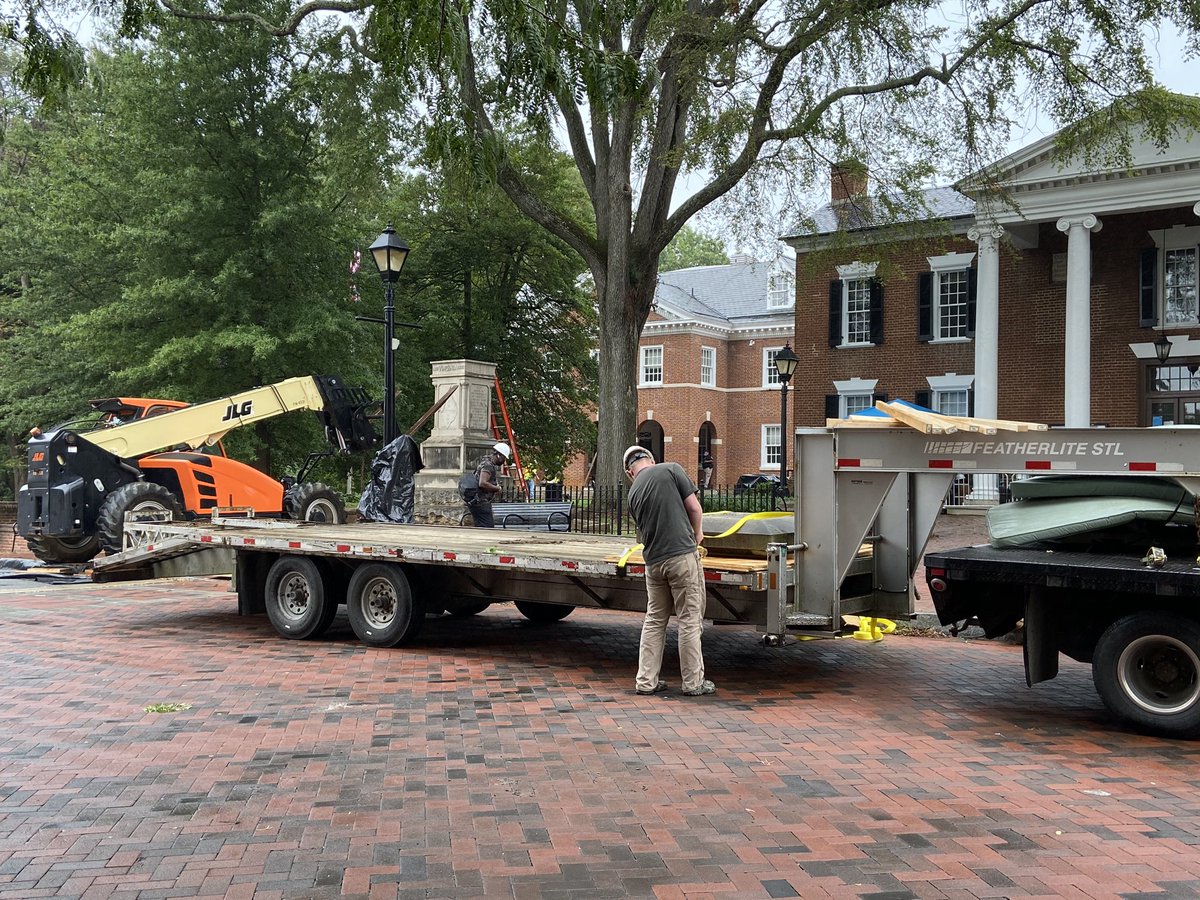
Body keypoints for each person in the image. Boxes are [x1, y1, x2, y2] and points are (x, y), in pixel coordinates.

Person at [623, 444, 716, 697]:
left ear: (630, 472)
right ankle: (693, 682)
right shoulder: (671, 469)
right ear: (651, 460)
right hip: (681, 557)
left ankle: (646, 681)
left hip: (653, 563)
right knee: (689, 620)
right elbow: (694, 508)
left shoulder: (632, 494)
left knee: (654, 620)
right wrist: (697, 535)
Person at [467, 442, 510, 528]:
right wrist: (497, 488)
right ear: (499, 455)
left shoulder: (486, 462)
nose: (504, 461)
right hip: (481, 502)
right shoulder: (488, 466)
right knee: (487, 528)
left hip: (479, 501)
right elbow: (482, 483)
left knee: (482, 528)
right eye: (504, 458)